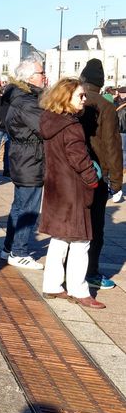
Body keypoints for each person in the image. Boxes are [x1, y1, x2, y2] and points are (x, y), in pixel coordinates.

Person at [38, 78, 104, 309]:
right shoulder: (71, 125)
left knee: (59, 238)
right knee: (80, 241)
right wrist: (92, 180)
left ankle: (53, 285)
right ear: (66, 97)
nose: (84, 99)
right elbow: (79, 159)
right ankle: (79, 289)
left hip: (56, 187)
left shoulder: (49, 120)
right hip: (72, 189)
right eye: (80, 96)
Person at [77, 59, 122, 290]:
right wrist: (117, 180)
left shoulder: (75, 101)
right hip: (98, 174)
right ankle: (91, 272)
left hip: (75, 172)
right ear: (101, 83)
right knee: (95, 226)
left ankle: (70, 270)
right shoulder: (106, 107)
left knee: (74, 225)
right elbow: (112, 145)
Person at [2, 59, 47, 269]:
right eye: (41, 72)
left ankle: (9, 247)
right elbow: (45, 127)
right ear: (29, 78)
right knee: (28, 207)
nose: (44, 76)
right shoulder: (27, 101)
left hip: (24, 156)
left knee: (19, 206)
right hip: (30, 158)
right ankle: (18, 251)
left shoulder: (20, 97)